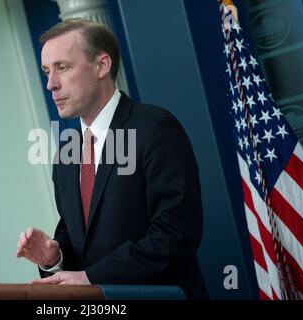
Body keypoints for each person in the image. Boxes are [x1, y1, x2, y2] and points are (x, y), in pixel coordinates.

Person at [16, 18, 207, 299]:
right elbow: (76, 236)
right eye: (47, 71)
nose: (50, 84)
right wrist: (53, 256)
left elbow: (176, 234)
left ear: (101, 66)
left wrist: (92, 278)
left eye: (63, 68)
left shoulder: (154, 128)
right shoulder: (65, 155)